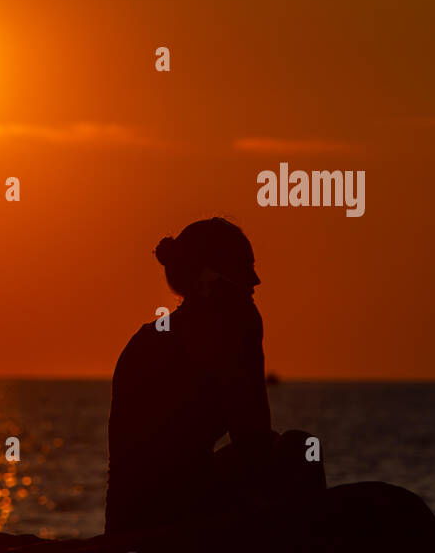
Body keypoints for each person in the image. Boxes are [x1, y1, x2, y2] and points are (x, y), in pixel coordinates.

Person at [105, 218, 324, 534]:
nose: (256, 280)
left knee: (281, 446)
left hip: (129, 518)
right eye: (245, 267)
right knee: (301, 447)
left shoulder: (148, 337)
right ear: (212, 276)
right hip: (174, 519)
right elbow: (254, 444)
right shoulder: (231, 331)